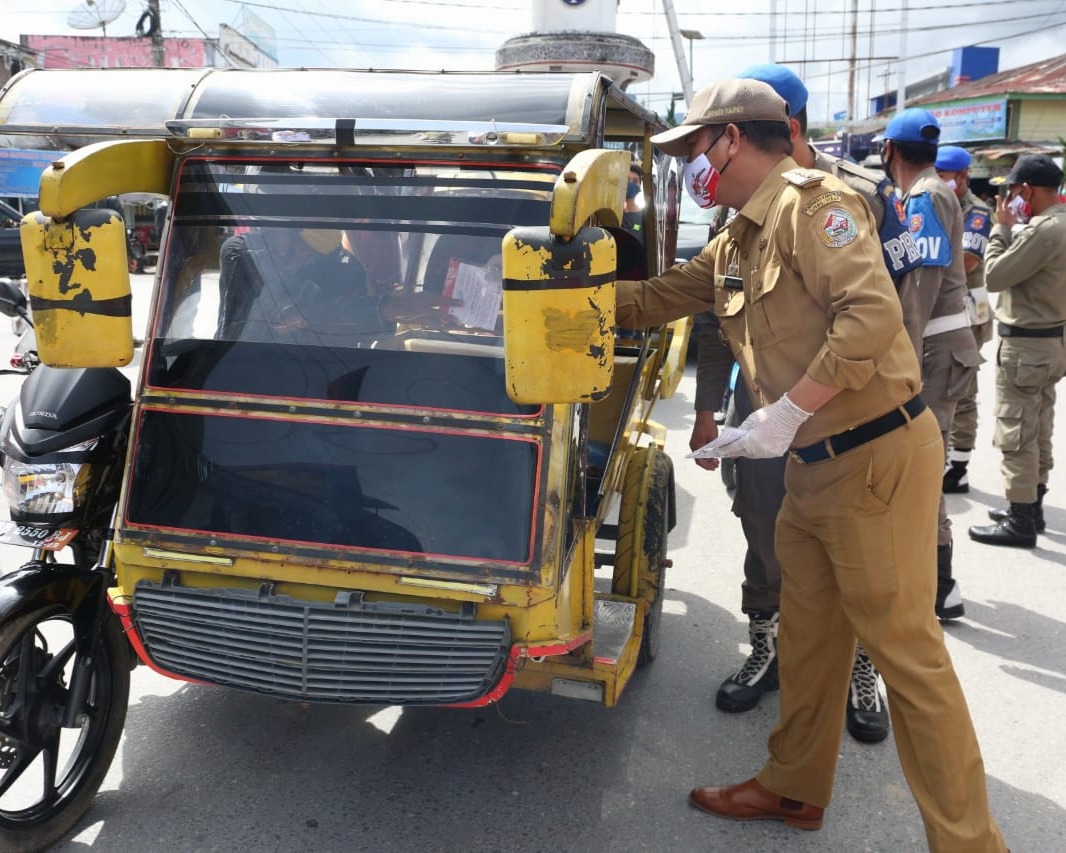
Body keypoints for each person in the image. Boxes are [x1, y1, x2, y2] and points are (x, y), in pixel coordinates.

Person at [617, 77, 1005, 851]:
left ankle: (971, 843)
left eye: (695, 148)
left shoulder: (811, 206)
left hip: (875, 460)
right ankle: (794, 786)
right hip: (811, 469)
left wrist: (788, 409)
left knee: (907, 658)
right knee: (810, 638)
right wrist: (555, 287)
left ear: (731, 139)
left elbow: (870, 315)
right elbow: (659, 296)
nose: (694, 169)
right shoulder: (738, 238)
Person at [691, 63, 924, 741]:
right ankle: (767, 647)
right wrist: (710, 406)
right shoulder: (735, 210)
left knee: (856, 559)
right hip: (762, 409)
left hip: (851, 415)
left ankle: (858, 669)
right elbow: (717, 310)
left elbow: (889, 311)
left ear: (776, 127)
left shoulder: (857, 198)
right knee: (764, 529)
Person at [878, 109, 980, 621]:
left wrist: (902, 367)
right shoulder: (929, 191)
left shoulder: (925, 197)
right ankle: (936, 582)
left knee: (923, 466)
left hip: (934, 350)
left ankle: (941, 587)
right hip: (943, 346)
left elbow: (919, 289)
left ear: (889, 150)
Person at [969, 154, 1066, 547]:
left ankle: (1020, 520)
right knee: (1038, 427)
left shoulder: (1042, 231)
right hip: (1050, 341)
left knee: (1017, 432)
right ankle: (1033, 506)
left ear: (1026, 190)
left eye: (1012, 190)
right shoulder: (1059, 223)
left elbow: (994, 275)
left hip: (1026, 344)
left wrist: (1000, 227)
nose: (1009, 198)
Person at [935, 146, 994, 494]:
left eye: (944, 175)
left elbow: (969, 259)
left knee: (964, 390)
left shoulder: (977, 211)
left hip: (969, 310)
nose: (939, 181)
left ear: (961, 177)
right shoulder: (936, 203)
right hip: (942, 307)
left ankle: (958, 467)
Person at [622, 161, 645, 239]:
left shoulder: (646, 216)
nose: (631, 184)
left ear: (640, 184)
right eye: (627, 181)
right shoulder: (614, 213)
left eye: (635, 181)